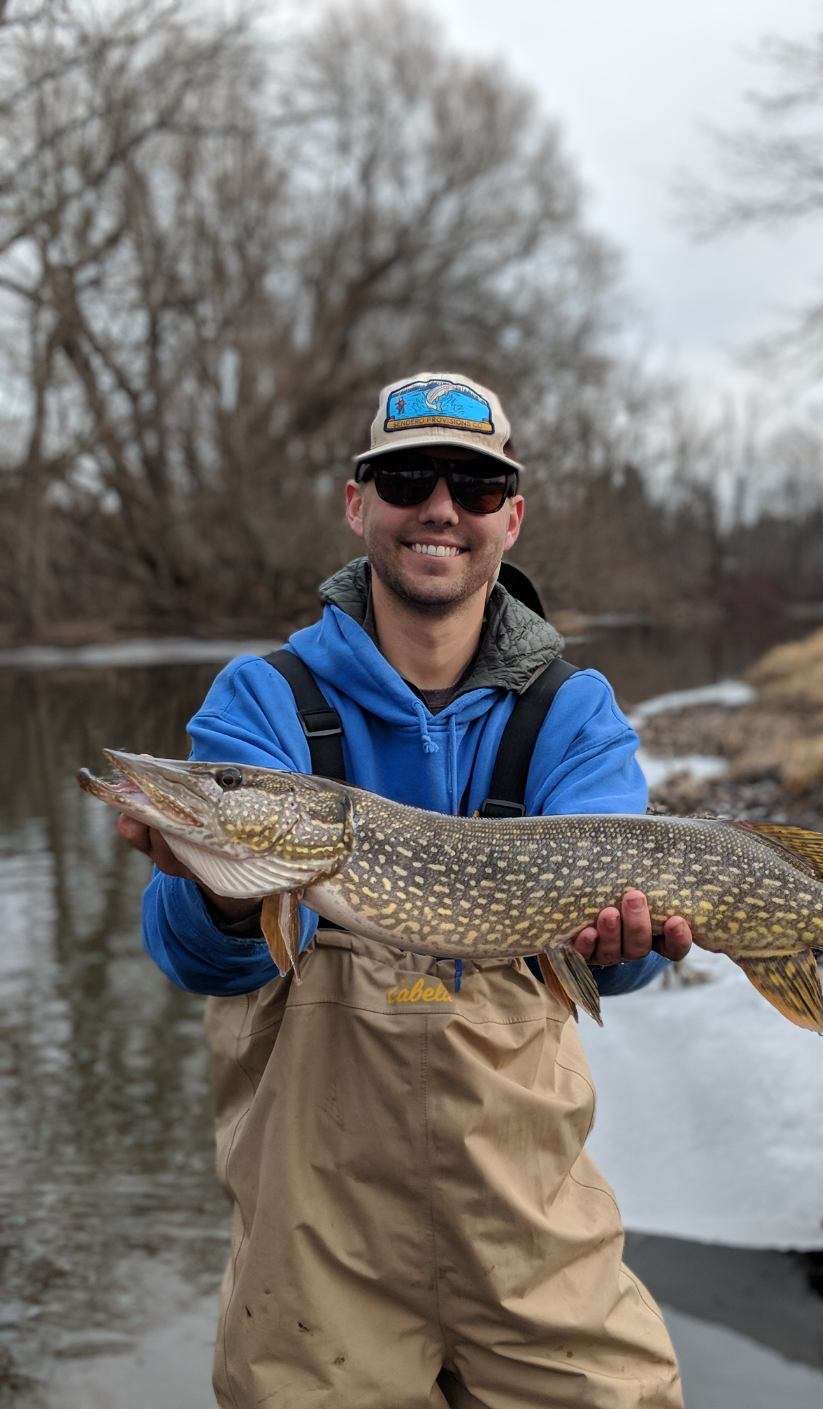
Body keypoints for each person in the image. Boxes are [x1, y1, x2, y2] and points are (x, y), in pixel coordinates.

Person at [120, 371, 693, 1408]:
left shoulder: (571, 711)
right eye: (406, 479)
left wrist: (628, 945)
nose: (439, 507)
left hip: (528, 1232)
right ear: (358, 503)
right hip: (314, 1251)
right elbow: (194, 957)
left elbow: (625, 960)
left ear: (510, 518)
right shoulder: (264, 699)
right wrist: (221, 890)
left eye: (474, 487)